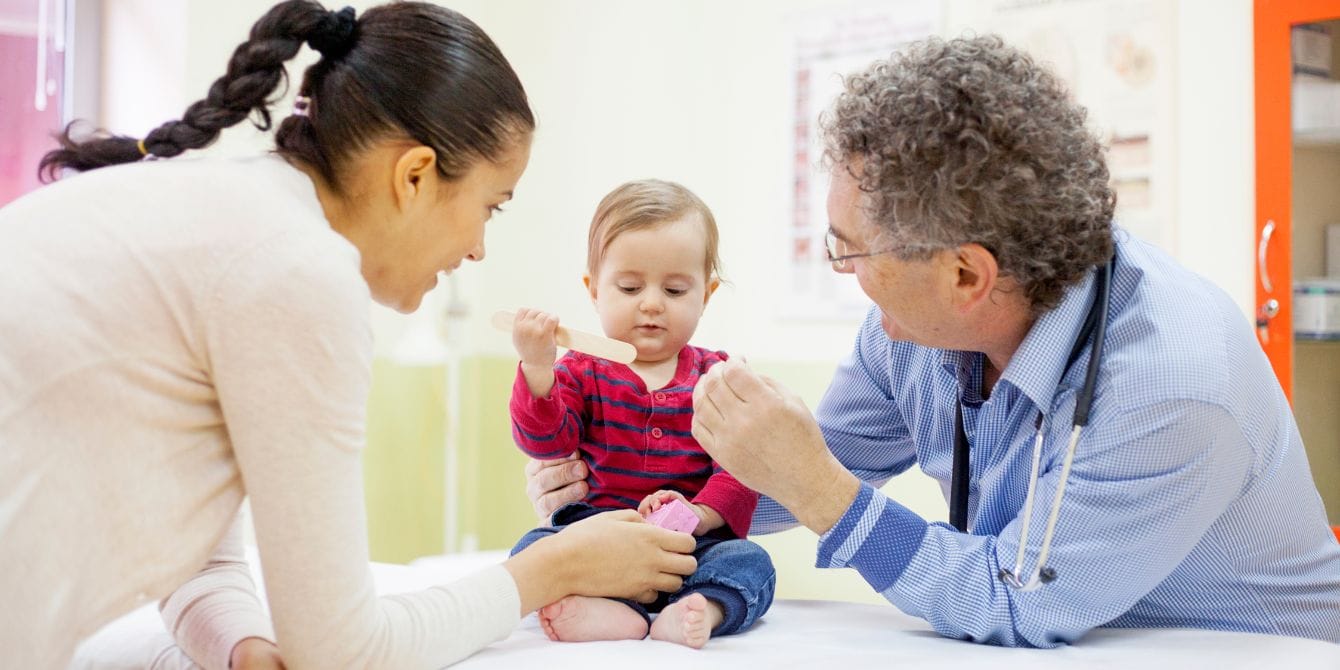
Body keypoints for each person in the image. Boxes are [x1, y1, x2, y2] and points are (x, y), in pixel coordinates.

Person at [527, 35, 1340, 648]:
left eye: (851, 250)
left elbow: (1017, 599)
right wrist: (652, 494)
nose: (842, 270)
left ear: (966, 275)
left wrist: (823, 494)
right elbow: (799, 467)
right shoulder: (914, 332)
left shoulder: (1171, 380)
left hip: (1257, 655)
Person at [0, 2, 697, 668]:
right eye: (490, 206)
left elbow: (203, 560)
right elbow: (343, 654)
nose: (479, 248)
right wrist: (553, 568)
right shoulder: (295, 270)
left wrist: (242, 645)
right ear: (416, 175)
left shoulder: (228, 213)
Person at [506, 180, 775, 649]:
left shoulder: (718, 375)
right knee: (532, 550)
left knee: (749, 561)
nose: (651, 303)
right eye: (629, 286)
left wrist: (699, 514)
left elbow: (740, 467)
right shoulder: (580, 371)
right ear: (593, 290)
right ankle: (612, 612)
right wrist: (537, 367)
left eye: (674, 289)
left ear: (706, 294)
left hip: (691, 544)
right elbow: (545, 443)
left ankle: (699, 610)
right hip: (598, 537)